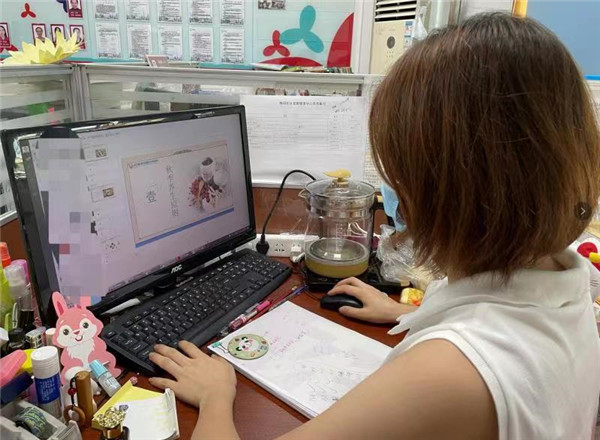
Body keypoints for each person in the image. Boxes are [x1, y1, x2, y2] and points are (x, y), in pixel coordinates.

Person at [148, 13, 600, 439]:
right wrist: (410, 314)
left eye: (400, 169)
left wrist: (215, 397)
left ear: (443, 189)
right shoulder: (566, 280)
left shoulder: (448, 374)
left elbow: (465, 373)